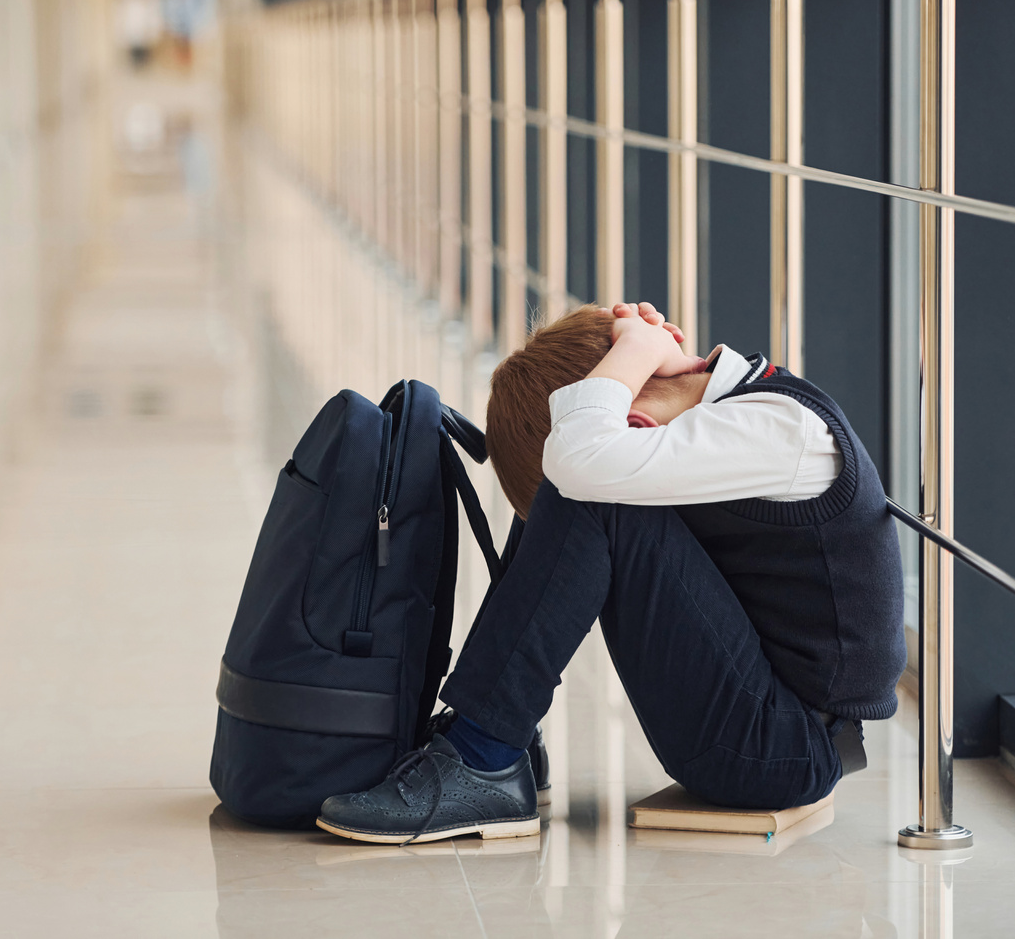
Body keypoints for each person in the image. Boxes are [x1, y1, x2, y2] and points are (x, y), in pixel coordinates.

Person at [314, 302, 905, 845]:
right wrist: (641, 355)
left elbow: (583, 459)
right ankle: (503, 738)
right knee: (582, 476)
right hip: (768, 720)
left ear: (636, 418)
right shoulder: (730, 409)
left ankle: (483, 753)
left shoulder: (777, 429)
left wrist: (635, 354)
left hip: (777, 753)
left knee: (586, 487)